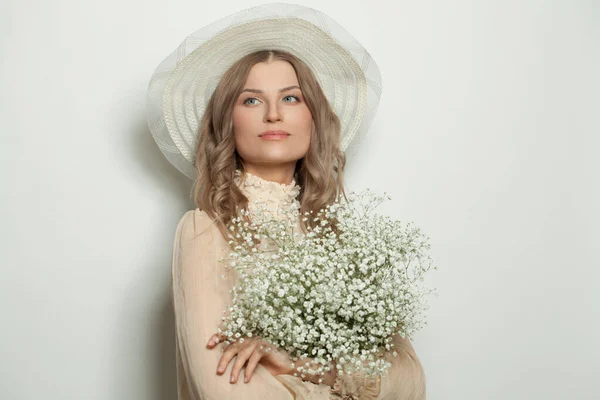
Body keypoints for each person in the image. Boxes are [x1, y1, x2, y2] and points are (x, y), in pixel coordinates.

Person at [147, 4, 426, 399]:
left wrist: (298, 366)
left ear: (315, 118)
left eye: (292, 98)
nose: (274, 114)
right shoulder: (206, 230)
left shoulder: (342, 241)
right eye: (252, 101)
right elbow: (221, 387)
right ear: (227, 121)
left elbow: (408, 379)